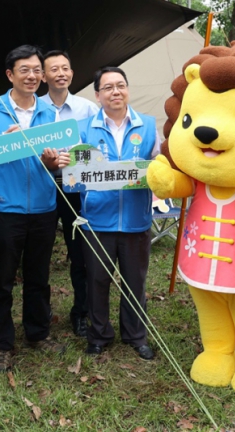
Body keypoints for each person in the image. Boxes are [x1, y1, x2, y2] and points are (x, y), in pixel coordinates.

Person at [0, 44, 70, 374]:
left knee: (39, 276)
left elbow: (58, 162)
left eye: (37, 70)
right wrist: (5, 145)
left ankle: (38, 333)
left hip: (44, 207)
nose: (32, 76)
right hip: (6, 208)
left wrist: (53, 161)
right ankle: (2, 344)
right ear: (10, 75)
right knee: (2, 279)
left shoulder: (48, 112)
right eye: (24, 70)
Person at [78, 67, 160, 361]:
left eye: (121, 85)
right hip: (97, 219)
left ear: (127, 89)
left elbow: (158, 167)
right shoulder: (84, 129)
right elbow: (77, 172)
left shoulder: (148, 126)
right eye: (108, 87)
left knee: (135, 281)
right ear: (97, 95)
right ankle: (98, 335)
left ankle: (136, 335)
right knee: (97, 281)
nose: (116, 91)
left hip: (136, 219)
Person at [40, 50, 99, 337]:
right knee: (39, 253)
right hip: (42, 185)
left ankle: (81, 313)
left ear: (72, 74)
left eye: (66, 68)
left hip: (75, 186)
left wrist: (75, 159)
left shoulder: (87, 109)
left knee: (79, 252)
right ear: (43, 76)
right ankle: (41, 313)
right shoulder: (35, 109)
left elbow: (96, 148)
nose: (61, 73)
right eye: (54, 69)